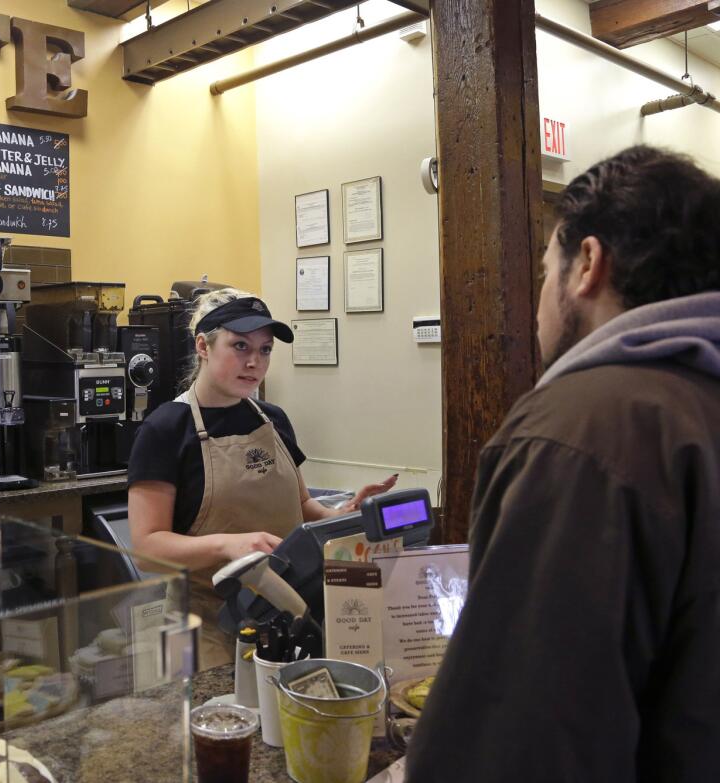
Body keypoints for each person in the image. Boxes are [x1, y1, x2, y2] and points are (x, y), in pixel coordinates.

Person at [407, 145, 720, 782]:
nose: (539, 304)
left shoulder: (581, 432)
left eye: (545, 270)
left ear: (587, 264)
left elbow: (519, 741)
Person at [127, 288, 396, 668]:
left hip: (288, 616)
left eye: (265, 350)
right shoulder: (166, 429)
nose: (254, 362)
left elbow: (303, 508)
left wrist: (346, 514)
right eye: (240, 346)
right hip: (204, 625)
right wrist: (228, 546)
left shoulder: (272, 420)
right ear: (203, 346)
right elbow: (147, 548)